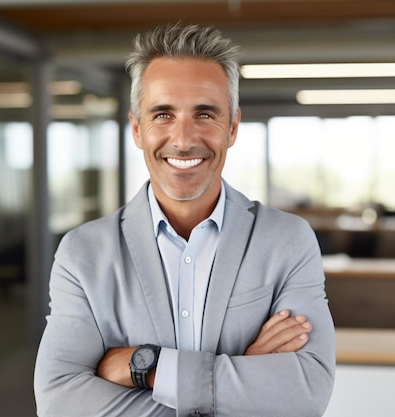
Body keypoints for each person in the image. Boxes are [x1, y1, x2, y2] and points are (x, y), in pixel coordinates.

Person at [34, 23, 336, 417]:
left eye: (205, 114)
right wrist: (240, 378)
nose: (183, 139)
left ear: (232, 127)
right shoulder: (83, 253)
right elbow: (60, 401)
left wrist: (145, 366)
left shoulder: (287, 240)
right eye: (163, 114)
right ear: (138, 129)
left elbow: (304, 394)